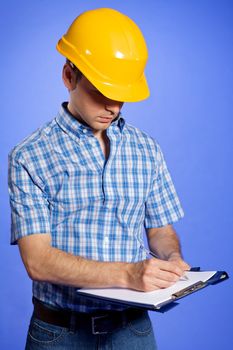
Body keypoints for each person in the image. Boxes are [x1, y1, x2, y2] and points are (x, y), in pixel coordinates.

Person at [8, 7, 190, 350]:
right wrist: (128, 274)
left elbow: (161, 230)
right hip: (59, 334)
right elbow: (38, 260)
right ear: (68, 75)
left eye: (120, 95)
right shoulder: (29, 156)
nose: (113, 107)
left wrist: (172, 260)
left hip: (132, 331)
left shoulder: (146, 149)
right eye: (101, 92)